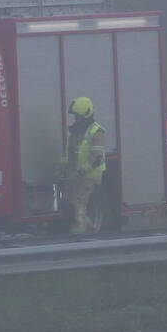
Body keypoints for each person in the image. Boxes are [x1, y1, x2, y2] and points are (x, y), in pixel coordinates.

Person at [59, 96, 106, 234]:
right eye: (75, 117)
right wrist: (62, 167)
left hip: (89, 176)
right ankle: (89, 231)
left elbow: (96, 158)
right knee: (67, 204)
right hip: (74, 176)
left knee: (78, 205)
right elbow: (68, 154)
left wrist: (81, 171)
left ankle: (79, 237)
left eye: (77, 117)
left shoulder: (96, 131)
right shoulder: (75, 133)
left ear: (85, 115)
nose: (75, 120)